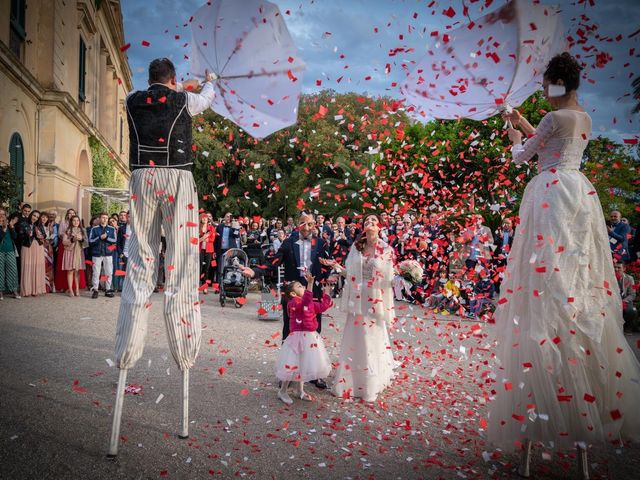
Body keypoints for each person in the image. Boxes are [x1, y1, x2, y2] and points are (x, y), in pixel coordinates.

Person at [494, 52, 640, 477]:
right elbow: (553, 143)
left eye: (547, 86)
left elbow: (524, 157)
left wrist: (510, 131)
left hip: (550, 193)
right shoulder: (587, 119)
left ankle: (546, 388)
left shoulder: (553, 119)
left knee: (545, 276)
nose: (544, 92)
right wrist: (524, 123)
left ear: (557, 84)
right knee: (573, 272)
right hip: (577, 191)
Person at [241, 210, 333, 390]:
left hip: (313, 293)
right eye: (303, 223)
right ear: (297, 224)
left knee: (314, 332)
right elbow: (273, 261)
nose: (306, 227)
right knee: (289, 333)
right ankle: (288, 373)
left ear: (314, 225)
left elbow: (328, 265)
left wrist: (331, 276)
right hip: (292, 294)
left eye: (310, 224)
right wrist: (255, 271)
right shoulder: (288, 242)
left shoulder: (321, 243)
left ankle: (313, 374)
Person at [331, 213, 396, 402]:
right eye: (367, 221)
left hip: (375, 297)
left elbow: (389, 277)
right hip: (358, 298)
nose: (370, 223)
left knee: (372, 338)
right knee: (356, 336)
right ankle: (351, 381)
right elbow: (350, 272)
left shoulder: (385, 249)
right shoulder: (356, 247)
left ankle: (370, 383)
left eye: (374, 221)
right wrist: (337, 268)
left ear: (380, 227)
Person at [275, 272, 333, 405]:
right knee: (292, 364)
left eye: (302, 285)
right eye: (300, 286)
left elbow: (321, 307)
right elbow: (305, 303)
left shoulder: (309, 302)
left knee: (303, 363)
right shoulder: (293, 303)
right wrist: (310, 284)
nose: (303, 287)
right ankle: (283, 391)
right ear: (293, 294)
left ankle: (300, 390)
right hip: (297, 338)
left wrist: (327, 295)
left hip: (310, 337)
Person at [18, 210, 47, 297]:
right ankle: (26, 290)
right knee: (27, 267)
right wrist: (28, 234)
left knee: (37, 266)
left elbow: (44, 235)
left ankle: (36, 290)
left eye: (37, 217)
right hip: (27, 246)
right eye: (34, 215)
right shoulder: (23, 223)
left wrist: (40, 235)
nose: (35, 218)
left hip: (38, 246)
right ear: (31, 215)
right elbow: (19, 236)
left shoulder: (39, 225)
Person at [89, 212, 117, 299]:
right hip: (97, 254)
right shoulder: (94, 229)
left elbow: (114, 240)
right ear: (100, 219)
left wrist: (107, 238)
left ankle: (108, 290)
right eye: (103, 218)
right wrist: (99, 238)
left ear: (107, 219)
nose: (104, 219)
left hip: (108, 254)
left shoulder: (112, 229)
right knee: (96, 272)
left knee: (109, 272)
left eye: (106, 218)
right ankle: (95, 290)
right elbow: (91, 241)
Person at [61, 215, 85, 297]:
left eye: (77, 220)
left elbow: (86, 243)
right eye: (74, 220)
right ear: (71, 222)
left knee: (77, 271)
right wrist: (72, 239)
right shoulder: (67, 231)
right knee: (70, 271)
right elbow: (64, 242)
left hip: (78, 252)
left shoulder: (82, 231)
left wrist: (81, 239)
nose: (76, 222)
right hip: (70, 252)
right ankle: (70, 289)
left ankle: (77, 289)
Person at [0, 208, 20, 300]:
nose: (1, 216)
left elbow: (15, 237)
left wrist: (11, 227)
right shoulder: (3, 226)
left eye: (3, 214)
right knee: (0, 272)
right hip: (0, 251)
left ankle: (14, 290)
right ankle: (0, 292)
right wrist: (3, 229)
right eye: (0, 214)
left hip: (10, 250)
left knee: (12, 270)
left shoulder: (9, 224)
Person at [615, 261, 638, 333]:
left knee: (632, 310)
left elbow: (632, 294)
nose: (616, 269)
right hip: (614, 301)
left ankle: (627, 326)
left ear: (624, 268)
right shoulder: (611, 278)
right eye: (615, 267)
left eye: (619, 267)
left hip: (625, 300)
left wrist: (624, 301)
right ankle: (616, 328)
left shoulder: (630, 278)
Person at [198, 213, 216, 294]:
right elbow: (196, 239)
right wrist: (203, 238)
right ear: (201, 219)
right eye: (203, 218)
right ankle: (197, 285)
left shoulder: (211, 228)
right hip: (200, 250)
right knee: (199, 267)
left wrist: (206, 239)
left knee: (207, 268)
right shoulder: (198, 228)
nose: (205, 219)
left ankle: (205, 286)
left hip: (209, 250)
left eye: (206, 218)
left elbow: (213, 239)